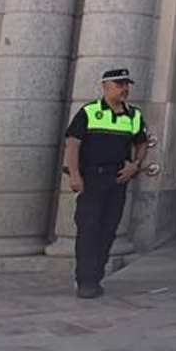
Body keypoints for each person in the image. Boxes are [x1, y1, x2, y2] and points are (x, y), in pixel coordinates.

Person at [63, 67, 149, 298]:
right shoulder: (89, 112)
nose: (124, 89)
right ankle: (85, 280)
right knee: (88, 228)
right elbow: (73, 144)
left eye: (126, 85)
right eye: (119, 84)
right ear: (105, 87)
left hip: (117, 179)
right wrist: (74, 175)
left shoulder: (134, 115)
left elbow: (142, 142)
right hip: (91, 178)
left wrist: (135, 165)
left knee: (108, 229)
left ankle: (96, 277)